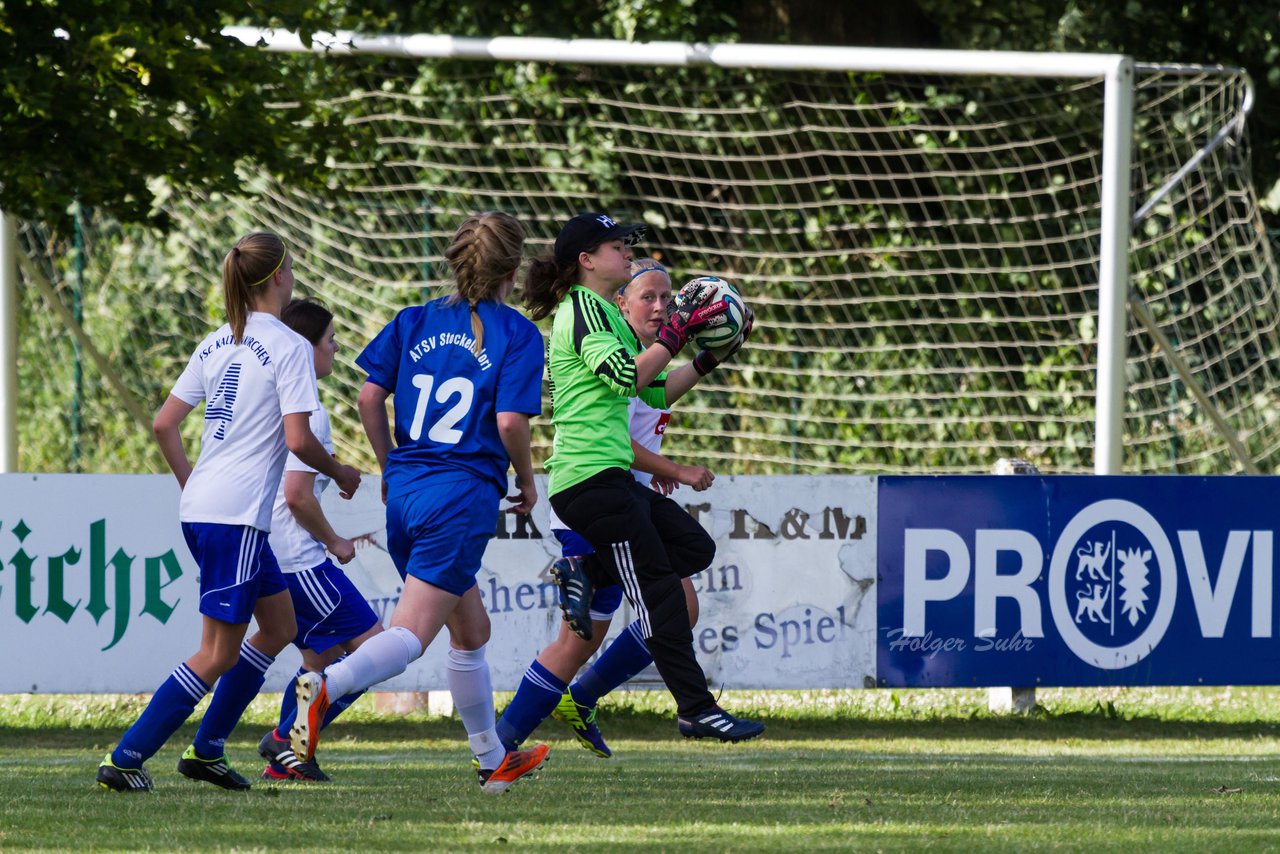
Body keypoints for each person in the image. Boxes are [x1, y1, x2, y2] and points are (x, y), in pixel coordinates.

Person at [288, 211, 550, 795]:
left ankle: (491, 758)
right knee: (410, 637)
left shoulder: (413, 321)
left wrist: (390, 464)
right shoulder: (518, 333)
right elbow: (510, 422)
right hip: (460, 497)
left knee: (471, 629)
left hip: (406, 494)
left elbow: (368, 397)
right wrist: (527, 482)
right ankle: (325, 685)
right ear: (512, 269)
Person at [96, 233, 362, 793]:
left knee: (281, 626)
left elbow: (164, 424)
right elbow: (298, 438)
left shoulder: (218, 341)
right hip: (236, 516)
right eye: (292, 266)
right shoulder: (289, 345)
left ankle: (207, 751)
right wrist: (340, 472)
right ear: (280, 277)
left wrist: (195, 485)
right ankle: (126, 758)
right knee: (216, 652)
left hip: (214, 509)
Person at [521, 211, 764, 743]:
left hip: (607, 481)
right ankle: (696, 708)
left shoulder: (604, 314)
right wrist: (677, 334)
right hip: (590, 480)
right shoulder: (580, 312)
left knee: (695, 549)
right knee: (662, 596)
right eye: (617, 246)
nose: (627, 251)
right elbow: (626, 375)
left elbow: (647, 392)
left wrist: (706, 359)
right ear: (586, 261)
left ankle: (591, 571)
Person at [255, 298, 385, 782]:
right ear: (304, 348)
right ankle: (289, 742)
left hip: (275, 557)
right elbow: (296, 496)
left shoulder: (271, 401)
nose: (335, 351)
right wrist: (336, 541)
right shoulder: (308, 412)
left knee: (319, 659)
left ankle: (287, 749)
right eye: (330, 341)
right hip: (300, 562)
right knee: (375, 651)